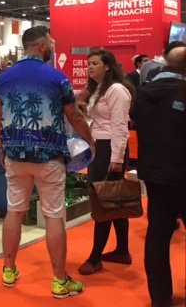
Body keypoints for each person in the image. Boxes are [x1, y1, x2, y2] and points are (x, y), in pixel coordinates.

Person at [0, 25, 94, 298]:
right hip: (49, 157)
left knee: (14, 211)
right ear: (40, 45)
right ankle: (59, 280)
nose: (52, 45)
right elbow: (73, 115)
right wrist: (90, 140)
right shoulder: (57, 78)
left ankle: (9, 270)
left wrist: (2, 147)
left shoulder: (4, 78)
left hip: (15, 155)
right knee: (53, 216)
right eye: (50, 41)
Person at [132, 46, 186, 307]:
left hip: (154, 174)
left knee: (157, 236)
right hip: (182, 173)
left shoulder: (143, 94)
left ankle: (160, 298)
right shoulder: (182, 91)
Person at [76, 49, 136, 276]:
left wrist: (117, 159)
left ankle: (95, 258)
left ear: (108, 66)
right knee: (113, 200)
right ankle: (122, 250)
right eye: (88, 64)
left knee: (103, 202)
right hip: (100, 148)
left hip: (110, 149)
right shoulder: (99, 88)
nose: (90, 67)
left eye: (95, 63)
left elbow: (120, 127)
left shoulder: (117, 90)